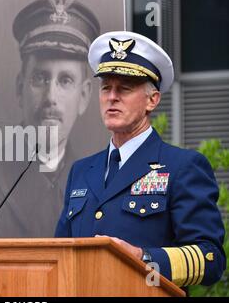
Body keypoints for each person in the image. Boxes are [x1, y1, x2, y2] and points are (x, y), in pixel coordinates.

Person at [55, 31, 226, 287]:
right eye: (106, 88)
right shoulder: (81, 171)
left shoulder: (183, 167)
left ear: (152, 100)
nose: (112, 96)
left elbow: (210, 260)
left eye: (124, 88)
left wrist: (144, 259)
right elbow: (60, 254)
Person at [0, 0, 100, 237]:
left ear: (84, 96)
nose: (50, 97)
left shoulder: (99, 183)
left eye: (65, 81)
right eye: (40, 78)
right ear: (20, 88)